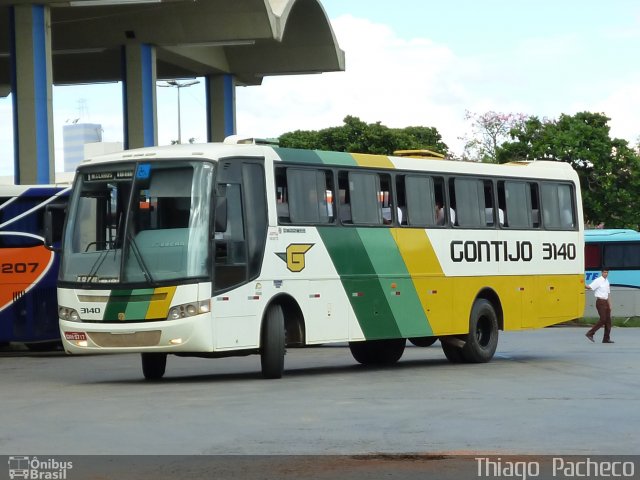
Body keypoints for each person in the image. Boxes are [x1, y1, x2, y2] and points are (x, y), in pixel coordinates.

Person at [585, 268, 614, 343]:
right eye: (604, 272)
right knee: (603, 319)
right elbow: (589, 287)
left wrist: (610, 305)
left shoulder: (607, 281)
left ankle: (606, 338)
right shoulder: (598, 280)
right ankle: (590, 333)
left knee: (608, 321)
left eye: (607, 272)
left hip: (606, 301)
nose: (606, 274)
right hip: (600, 302)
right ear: (601, 273)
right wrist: (581, 283)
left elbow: (608, 294)